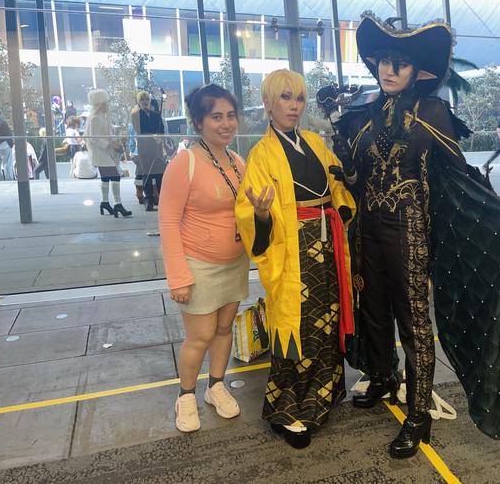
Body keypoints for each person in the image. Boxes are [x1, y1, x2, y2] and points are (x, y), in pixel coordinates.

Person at [332, 12, 500, 458]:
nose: (388, 69)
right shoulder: (363, 116)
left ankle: (418, 415)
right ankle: (383, 377)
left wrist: (499, 214)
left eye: (398, 62)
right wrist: (343, 161)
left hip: (410, 236)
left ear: (418, 70)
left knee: (415, 326)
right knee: (374, 314)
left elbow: (459, 175)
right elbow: (356, 178)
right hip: (368, 232)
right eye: (383, 60)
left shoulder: (433, 112)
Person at [235, 69, 356, 449]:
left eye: (299, 99)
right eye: (285, 98)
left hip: (327, 244)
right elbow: (248, 211)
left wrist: (346, 187)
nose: (293, 106)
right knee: (298, 327)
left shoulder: (317, 143)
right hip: (292, 251)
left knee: (328, 319)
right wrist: (260, 214)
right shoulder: (260, 154)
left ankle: (324, 395)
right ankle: (287, 409)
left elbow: (337, 187)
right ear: (269, 103)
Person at [159, 84, 249, 433]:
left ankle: (215, 386)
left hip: (234, 263)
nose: (226, 124)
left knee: (224, 329)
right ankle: (185, 395)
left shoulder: (237, 162)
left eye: (230, 116)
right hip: (198, 265)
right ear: (198, 123)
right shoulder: (185, 164)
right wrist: (178, 276)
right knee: (199, 337)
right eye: (216, 117)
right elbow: (167, 222)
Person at [84, 89, 132, 218]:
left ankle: (105, 202)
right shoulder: (96, 119)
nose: (108, 105)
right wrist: (110, 145)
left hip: (102, 153)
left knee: (106, 178)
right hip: (101, 153)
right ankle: (117, 204)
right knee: (115, 177)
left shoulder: (98, 118)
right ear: (101, 103)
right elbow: (93, 138)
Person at [130, 91, 166, 211]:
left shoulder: (156, 115)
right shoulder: (136, 115)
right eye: (142, 100)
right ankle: (149, 200)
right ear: (138, 102)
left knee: (159, 174)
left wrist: (159, 137)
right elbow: (138, 129)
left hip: (157, 148)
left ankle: (161, 199)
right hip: (144, 148)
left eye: (147, 100)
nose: (145, 102)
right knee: (147, 175)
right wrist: (152, 136)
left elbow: (161, 130)